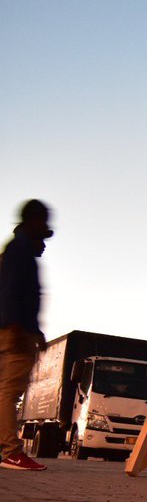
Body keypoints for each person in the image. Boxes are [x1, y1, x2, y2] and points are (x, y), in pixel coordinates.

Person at [0, 200, 53, 471]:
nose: (48, 227)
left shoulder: (18, 249)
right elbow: (11, 292)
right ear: (33, 220)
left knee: (5, 392)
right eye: (44, 220)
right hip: (15, 331)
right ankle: (11, 452)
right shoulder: (19, 250)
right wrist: (20, 328)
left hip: (14, 328)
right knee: (9, 393)